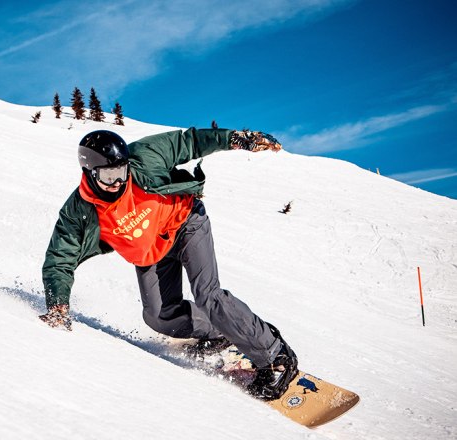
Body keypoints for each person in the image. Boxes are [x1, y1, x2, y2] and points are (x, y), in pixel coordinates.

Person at [39, 126, 298, 400]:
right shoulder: (79, 210)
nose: (118, 181)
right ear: (91, 173)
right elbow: (59, 258)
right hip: (153, 251)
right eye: (109, 176)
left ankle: (274, 355)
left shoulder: (145, 157)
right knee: (159, 316)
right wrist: (57, 305)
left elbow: (189, 141)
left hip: (186, 223)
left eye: (122, 171)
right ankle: (217, 331)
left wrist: (236, 139)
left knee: (208, 295)